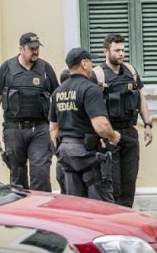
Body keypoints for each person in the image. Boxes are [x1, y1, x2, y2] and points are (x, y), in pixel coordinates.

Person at [49, 48, 121, 202]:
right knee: (102, 205)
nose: (92, 65)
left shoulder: (58, 92)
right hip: (87, 153)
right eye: (90, 61)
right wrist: (113, 136)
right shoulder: (90, 89)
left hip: (66, 153)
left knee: (75, 205)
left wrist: (60, 152)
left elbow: (53, 129)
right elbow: (101, 127)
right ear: (84, 63)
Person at [0, 32, 59, 191]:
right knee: (18, 177)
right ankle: (22, 206)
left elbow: (57, 98)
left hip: (40, 128)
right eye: (31, 48)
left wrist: (56, 129)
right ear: (21, 49)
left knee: (40, 173)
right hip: (14, 129)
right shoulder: (7, 68)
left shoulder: (45, 68)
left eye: (37, 48)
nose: (36, 51)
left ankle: (41, 206)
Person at [93, 34, 153, 208]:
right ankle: (114, 219)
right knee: (113, 184)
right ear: (106, 51)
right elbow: (91, 108)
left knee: (129, 183)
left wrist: (147, 124)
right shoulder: (97, 75)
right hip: (109, 135)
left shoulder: (131, 71)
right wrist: (99, 136)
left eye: (123, 50)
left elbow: (141, 97)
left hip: (129, 133)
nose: (121, 54)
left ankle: (127, 217)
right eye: (117, 50)